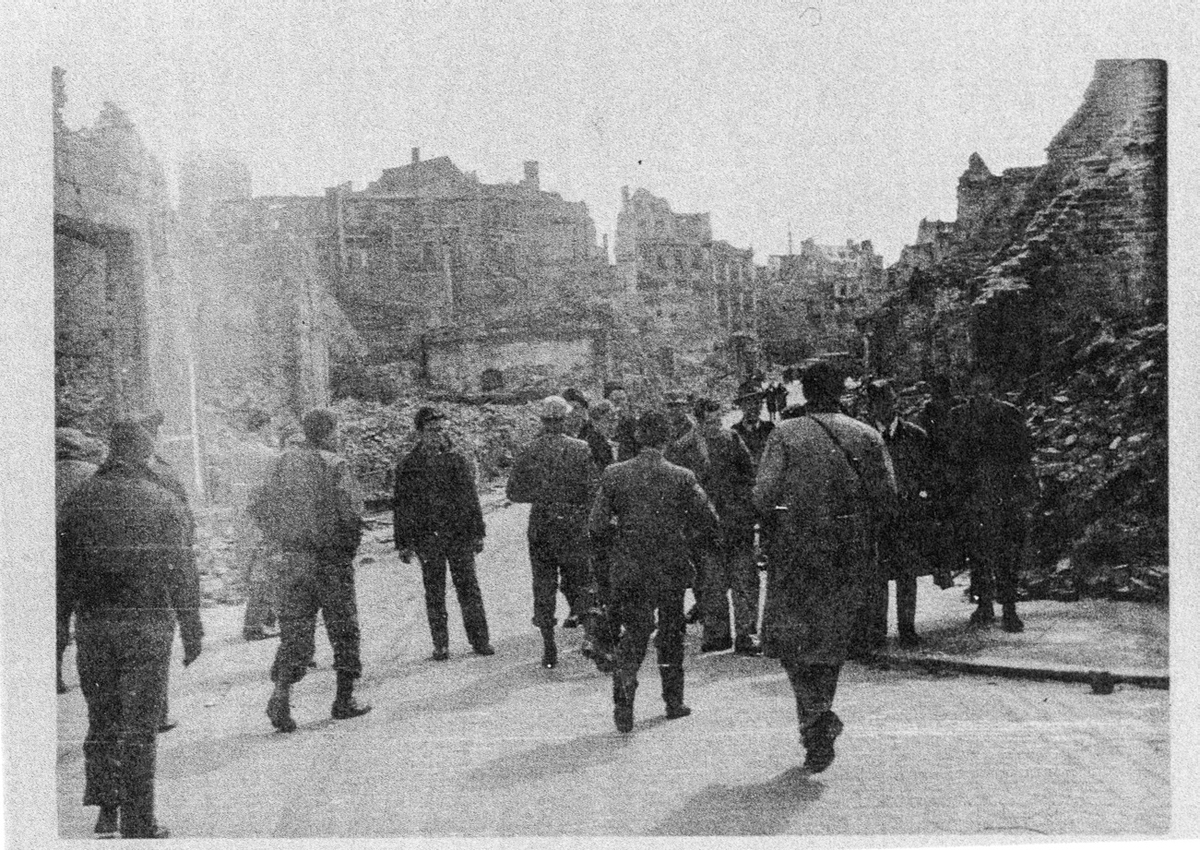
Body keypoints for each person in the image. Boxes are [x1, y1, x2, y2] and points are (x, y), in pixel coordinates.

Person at [57, 418, 202, 839]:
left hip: (94, 624)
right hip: (147, 623)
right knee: (140, 724)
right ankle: (139, 821)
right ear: (144, 452)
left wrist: (59, 631)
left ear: (109, 450)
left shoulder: (79, 499)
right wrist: (192, 628)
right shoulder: (162, 499)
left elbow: (62, 572)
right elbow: (183, 569)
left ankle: (106, 810)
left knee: (102, 717)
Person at [754, 361, 897, 773]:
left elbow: (763, 496)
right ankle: (819, 713)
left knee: (792, 637)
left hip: (797, 550)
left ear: (804, 392)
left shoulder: (785, 434)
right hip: (848, 551)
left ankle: (814, 716)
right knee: (832, 638)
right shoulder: (866, 434)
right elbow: (888, 496)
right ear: (841, 392)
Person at [589, 411, 720, 732]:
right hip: (671, 564)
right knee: (671, 632)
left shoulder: (614, 474)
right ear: (667, 439)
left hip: (630, 564)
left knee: (635, 629)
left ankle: (625, 681)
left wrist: (619, 545)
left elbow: (596, 524)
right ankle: (673, 701)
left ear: (637, 437)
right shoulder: (682, 476)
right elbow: (709, 521)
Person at [255, 408, 371, 732]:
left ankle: (280, 695)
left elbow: (260, 507)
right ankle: (344, 700)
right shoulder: (335, 464)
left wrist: (280, 539)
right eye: (336, 429)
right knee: (344, 628)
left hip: (293, 560)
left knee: (295, 633)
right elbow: (351, 514)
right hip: (330, 561)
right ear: (329, 431)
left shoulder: (280, 462)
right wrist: (347, 550)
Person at [392, 406, 493, 661]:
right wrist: (404, 543)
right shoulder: (409, 465)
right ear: (420, 433)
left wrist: (477, 532)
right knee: (434, 591)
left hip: (459, 536)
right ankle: (441, 644)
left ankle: (480, 640)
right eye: (431, 431)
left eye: (440, 430)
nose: (437, 435)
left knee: (469, 588)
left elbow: (470, 499)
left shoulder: (456, 460)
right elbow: (402, 506)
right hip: (428, 538)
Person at [854, 379, 943, 651]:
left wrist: (921, 499)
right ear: (871, 407)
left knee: (907, 573)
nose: (888, 407)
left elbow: (929, 473)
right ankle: (877, 630)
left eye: (892, 401)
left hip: (907, 515)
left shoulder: (915, 435)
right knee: (877, 575)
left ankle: (907, 628)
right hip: (877, 516)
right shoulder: (862, 438)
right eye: (881, 402)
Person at [506, 396, 594, 667]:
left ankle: (549, 646)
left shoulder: (528, 450)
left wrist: (541, 496)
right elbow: (592, 489)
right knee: (581, 580)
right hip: (573, 524)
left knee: (543, 586)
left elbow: (513, 493)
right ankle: (590, 636)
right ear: (565, 420)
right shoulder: (581, 448)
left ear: (542, 421)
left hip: (542, 524)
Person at [948, 369, 1034, 632]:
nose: (980, 392)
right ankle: (984, 604)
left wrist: (1024, 489)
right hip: (972, 494)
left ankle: (1010, 609)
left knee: (1007, 554)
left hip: (1003, 494)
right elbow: (952, 455)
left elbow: (1024, 453)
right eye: (974, 387)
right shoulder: (958, 416)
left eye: (984, 387)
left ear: (992, 388)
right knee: (978, 553)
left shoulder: (1009, 413)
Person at [136, 410, 193, 734]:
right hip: (156, 574)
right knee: (156, 644)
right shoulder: (165, 474)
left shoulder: (101, 475)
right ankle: (157, 713)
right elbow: (184, 521)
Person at [691, 397, 761, 655]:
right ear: (699, 421)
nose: (716, 425)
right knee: (710, 582)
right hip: (704, 526)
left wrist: (743, 507)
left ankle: (747, 634)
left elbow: (750, 474)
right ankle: (716, 635)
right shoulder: (686, 446)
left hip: (736, 522)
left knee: (744, 580)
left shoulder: (732, 439)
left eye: (719, 419)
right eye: (710, 421)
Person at [56, 427, 102, 694]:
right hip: (85, 558)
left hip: (51, 559)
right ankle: (95, 678)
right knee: (89, 617)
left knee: (56, 617)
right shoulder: (91, 474)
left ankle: (54, 675)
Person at [237, 410, 283, 641]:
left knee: (254, 567)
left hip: (242, 518)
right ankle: (254, 624)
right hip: (263, 517)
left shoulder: (235, 453)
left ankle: (267, 618)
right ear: (264, 427)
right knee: (264, 570)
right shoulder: (270, 456)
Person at [562, 387, 611, 470]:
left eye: (577, 408)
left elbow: (605, 465)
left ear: (584, 410)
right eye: (570, 410)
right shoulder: (558, 435)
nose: (574, 413)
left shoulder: (596, 437)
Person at [731, 380, 775, 464]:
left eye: (757, 402)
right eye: (748, 402)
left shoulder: (769, 428)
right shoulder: (734, 431)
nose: (754, 406)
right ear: (741, 406)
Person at [604, 381, 640, 462]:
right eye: (616, 400)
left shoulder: (633, 424)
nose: (620, 404)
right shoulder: (601, 422)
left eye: (623, 399)